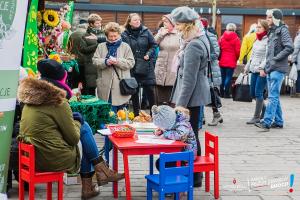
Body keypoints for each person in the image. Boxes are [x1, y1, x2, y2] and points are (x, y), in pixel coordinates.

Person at [18, 59, 124, 199]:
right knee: (84, 130)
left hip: (29, 157)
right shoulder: (57, 102)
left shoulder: (30, 99)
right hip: (51, 158)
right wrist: (77, 121)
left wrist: (73, 120)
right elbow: (73, 137)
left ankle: (98, 176)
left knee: (83, 131)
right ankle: (100, 172)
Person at [170, 6, 211, 187]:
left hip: (191, 97)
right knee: (192, 133)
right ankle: (194, 175)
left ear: (186, 25)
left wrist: (180, 105)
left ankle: (194, 176)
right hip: (194, 95)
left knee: (190, 135)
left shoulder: (193, 44)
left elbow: (189, 79)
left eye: (177, 24)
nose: (175, 27)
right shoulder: (197, 38)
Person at [255, 9, 294, 131]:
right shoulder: (272, 31)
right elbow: (269, 53)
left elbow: (290, 47)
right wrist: (266, 66)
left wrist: (275, 59)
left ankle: (266, 122)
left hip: (278, 69)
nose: (267, 19)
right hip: (271, 68)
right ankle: (278, 121)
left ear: (276, 18)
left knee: (272, 96)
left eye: (270, 17)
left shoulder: (283, 30)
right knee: (274, 96)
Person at [93, 22, 135, 112]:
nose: (113, 38)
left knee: (122, 115)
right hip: (105, 85)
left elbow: (131, 63)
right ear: (106, 35)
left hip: (121, 86)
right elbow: (95, 61)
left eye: (115, 36)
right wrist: (106, 62)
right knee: (108, 113)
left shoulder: (125, 46)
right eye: (110, 36)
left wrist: (118, 61)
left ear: (119, 34)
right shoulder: (101, 46)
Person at [121, 13, 157, 116]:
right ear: (129, 22)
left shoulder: (146, 32)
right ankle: (136, 115)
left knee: (149, 89)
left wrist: (148, 54)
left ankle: (154, 114)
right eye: (135, 20)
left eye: (139, 20)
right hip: (132, 65)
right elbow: (123, 48)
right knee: (134, 90)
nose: (138, 22)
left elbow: (154, 45)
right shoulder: (125, 34)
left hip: (146, 64)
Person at [152, 105, 197, 170]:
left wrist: (165, 133)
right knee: (160, 162)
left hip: (187, 156)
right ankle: (170, 178)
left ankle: (174, 178)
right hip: (180, 152)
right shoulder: (174, 120)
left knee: (161, 163)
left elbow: (180, 135)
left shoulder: (183, 123)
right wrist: (161, 131)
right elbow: (170, 129)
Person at [244, 19, 269, 124]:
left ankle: (256, 117)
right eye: (257, 27)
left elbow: (268, 56)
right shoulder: (256, 39)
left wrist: (261, 67)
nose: (257, 28)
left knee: (258, 93)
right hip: (253, 69)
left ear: (265, 28)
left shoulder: (268, 40)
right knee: (253, 93)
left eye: (259, 27)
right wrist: (247, 66)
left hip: (261, 71)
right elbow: (252, 55)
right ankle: (265, 110)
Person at [200, 18, 223, 126]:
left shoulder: (211, 37)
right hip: (205, 69)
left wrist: (205, 57)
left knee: (210, 92)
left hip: (210, 70)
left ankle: (216, 114)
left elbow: (216, 54)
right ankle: (203, 116)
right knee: (203, 92)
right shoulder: (200, 36)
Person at [154, 14, 180, 105]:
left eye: (166, 21)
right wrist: (161, 35)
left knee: (172, 96)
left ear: (172, 22)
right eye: (163, 21)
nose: (163, 23)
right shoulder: (161, 31)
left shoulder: (179, 33)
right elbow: (153, 44)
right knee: (159, 96)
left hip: (173, 67)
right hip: (161, 67)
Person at [79, 14, 106, 95]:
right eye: (97, 23)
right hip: (90, 64)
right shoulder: (85, 35)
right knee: (91, 87)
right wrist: (97, 45)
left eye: (100, 23)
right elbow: (83, 50)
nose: (99, 25)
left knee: (103, 88)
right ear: (91, 24)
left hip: (102, 63)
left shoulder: (104, 34)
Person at [218, 23, 241, 98]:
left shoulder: (222, 38)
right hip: (231, 60)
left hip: (222, 60)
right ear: (234, 29)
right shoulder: (236, 39)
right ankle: (226, 93)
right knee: (228, 77)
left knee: (222, 77)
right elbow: (238, 51)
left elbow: (218, 48)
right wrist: (236, 58)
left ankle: (221, 93)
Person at [68, 21, 88, 89]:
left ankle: (74, 94)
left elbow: (69, 47)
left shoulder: (72, 34)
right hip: (84, 61)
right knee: (84, 80)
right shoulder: (87, 34)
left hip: (74, 60)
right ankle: (84, 94)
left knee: (74, 80)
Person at [291, 25, 300, 93]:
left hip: (299, 60)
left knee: (299, 76)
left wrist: (293, 60)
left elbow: (295, 49)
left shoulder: (298, 37)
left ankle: (298, 92)